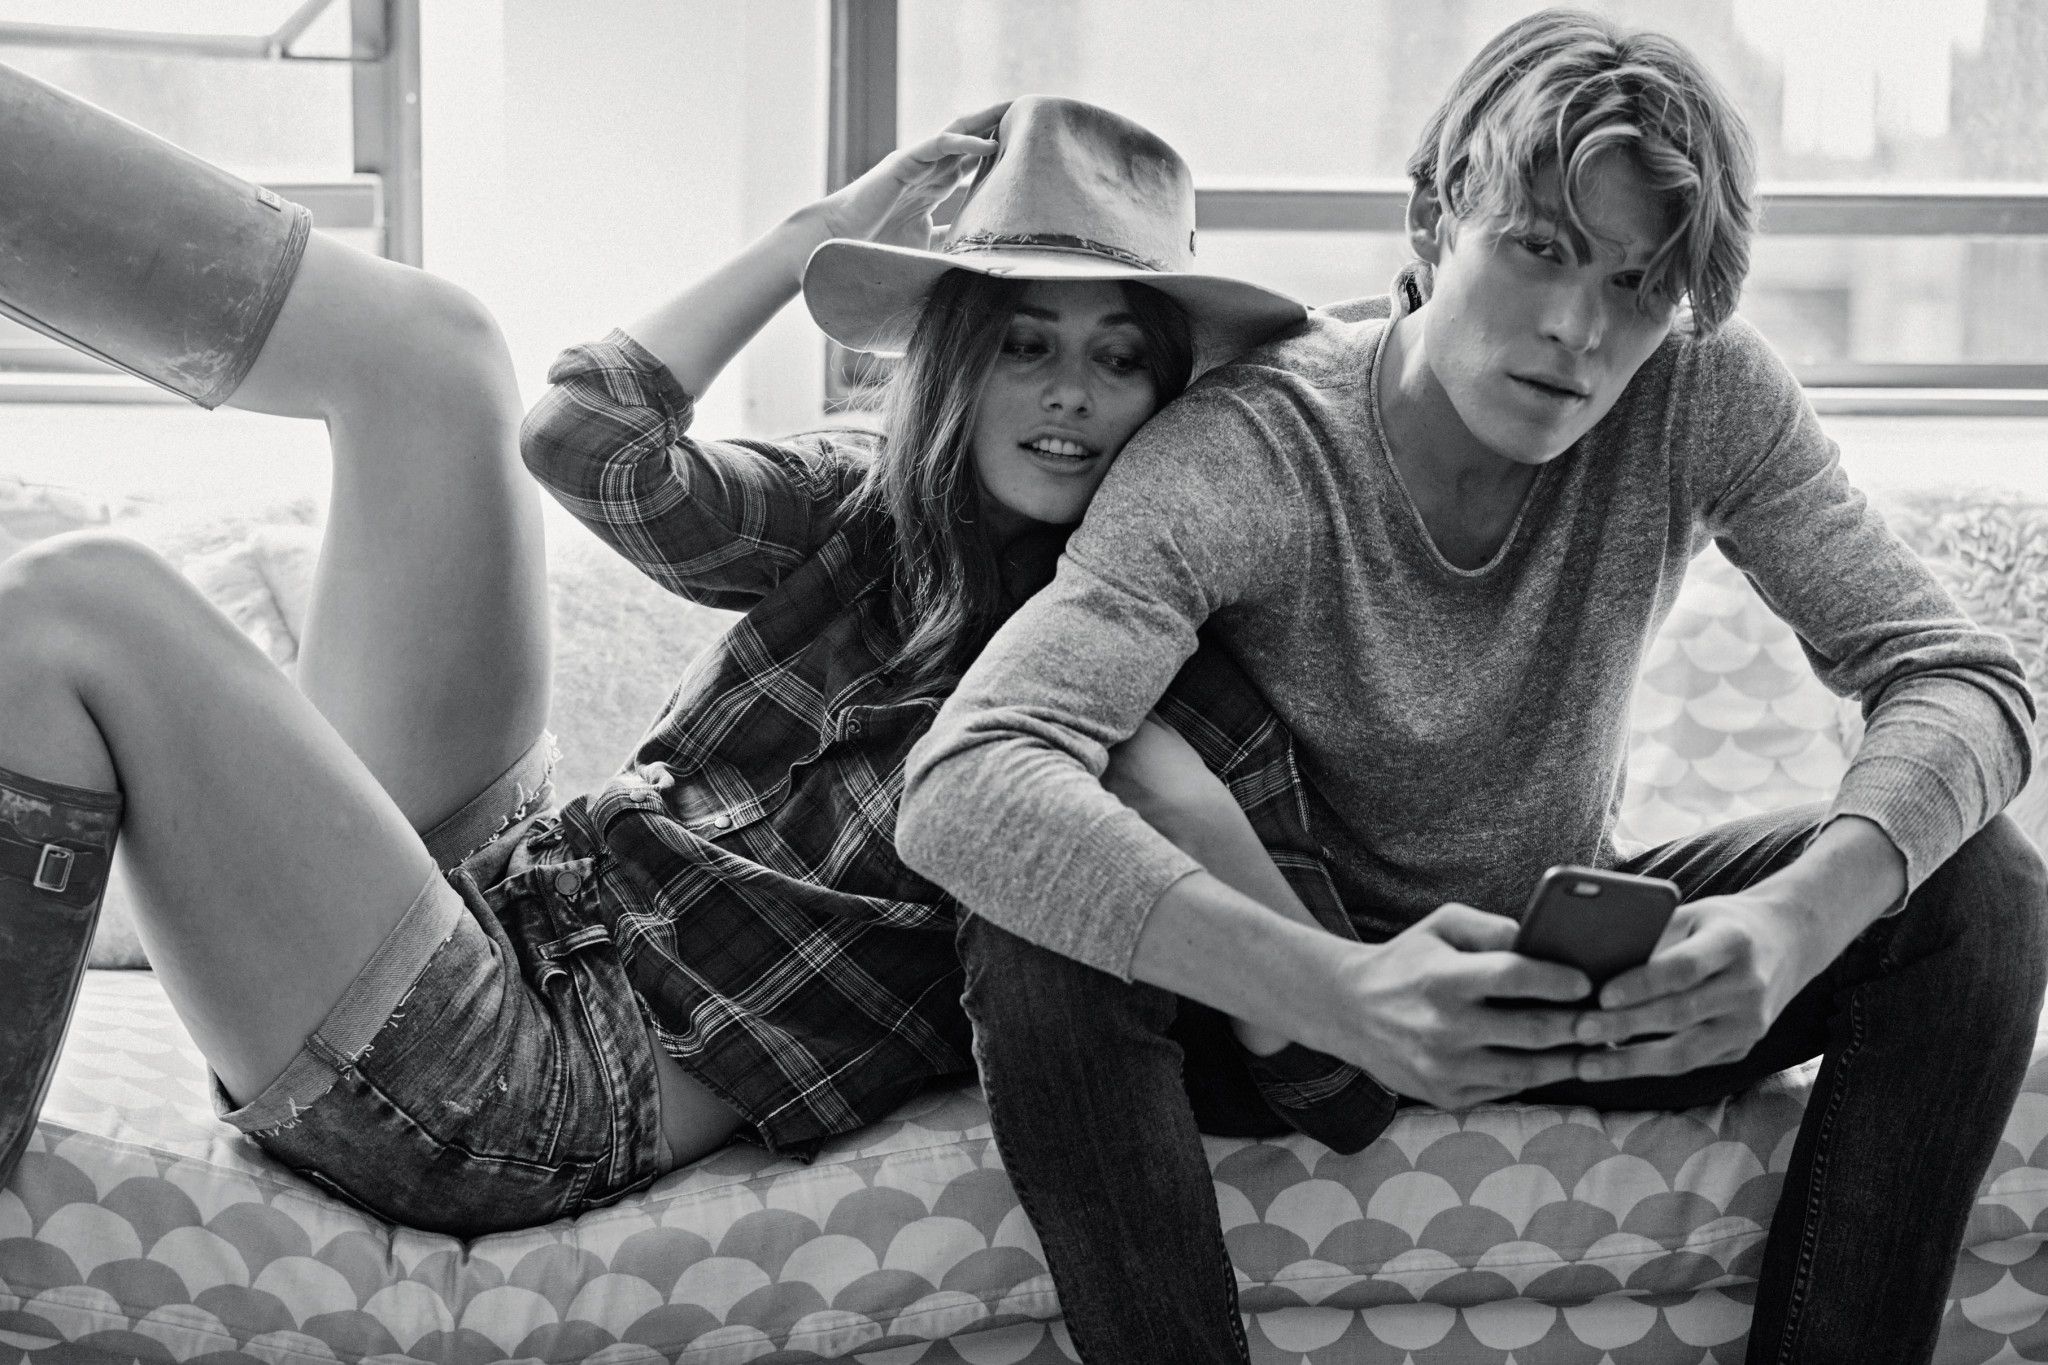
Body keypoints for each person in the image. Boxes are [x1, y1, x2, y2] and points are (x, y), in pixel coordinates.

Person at [895, 11, 2048, 1365]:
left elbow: (1960, 675)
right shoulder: (1251, 445)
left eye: (1636, 284)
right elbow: (967, 781)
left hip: (1566, 980)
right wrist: (1339, 992)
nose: (1577, 330)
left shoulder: (1700, 396)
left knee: (1979, 883)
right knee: (1035, 938)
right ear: (1434, 222)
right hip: (1287, 1007)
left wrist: (1798, 922)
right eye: (1540, 249)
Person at [0, 81, 1322, 1236]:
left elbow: (1324, 1069)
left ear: (1168, 399)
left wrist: (1200, 826)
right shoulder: (866, 511)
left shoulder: (1171, 682)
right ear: (963, 362)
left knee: (83, 605)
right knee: (434, 349)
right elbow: (588, 439)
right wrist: (812, 237)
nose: (1071, 391)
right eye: (1027, 343)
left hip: (530, 1086)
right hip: (503, 895)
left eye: (1117, 357)